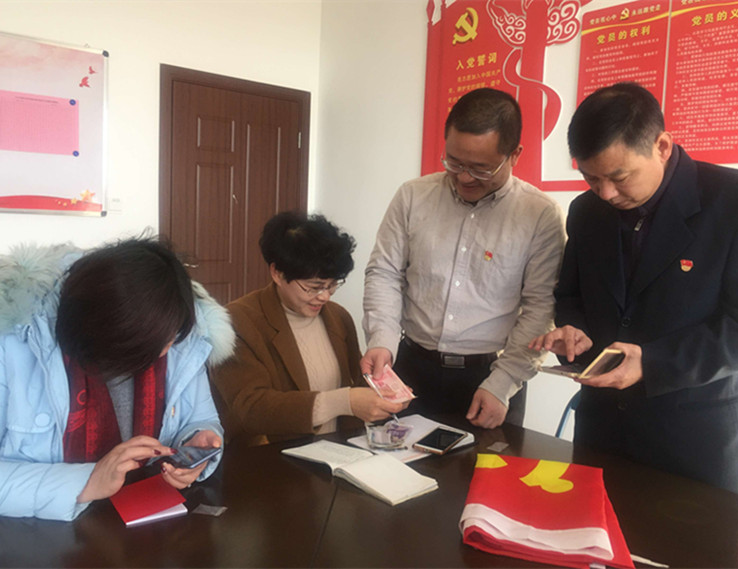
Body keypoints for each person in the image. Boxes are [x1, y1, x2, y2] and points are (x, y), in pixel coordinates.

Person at [529, 82, 738, 495]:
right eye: (591, 178)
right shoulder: (585, 211)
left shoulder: (737, 202)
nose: (606, 193)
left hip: (693, 437)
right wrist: (574, 331)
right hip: (601, 429)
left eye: (619, 177)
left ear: (662, 146)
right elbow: (571, 295)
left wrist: (653, 362)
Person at [362, 88, 565, 429]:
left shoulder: (539, 215)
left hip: (491, 378)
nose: (465, 177)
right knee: (395, 461)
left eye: (481, 168)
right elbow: (384, 272)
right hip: (411, 367)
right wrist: (381, 339)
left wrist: (504, 382)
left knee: (486, 464)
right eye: (454, 162)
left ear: (514, 155)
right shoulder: (413, 196)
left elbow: (541, 308)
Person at [0, 238, 234, 520]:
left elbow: (200, 418)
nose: (168, 351)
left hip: (151, 520)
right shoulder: (13, 346)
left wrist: (197, 444)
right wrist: (87, 481)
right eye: (154, 346)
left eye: (173, 338)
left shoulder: (175, 330)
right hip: (39, 535)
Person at [210, 211, 406, 446]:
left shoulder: (338, 318)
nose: (324, 296)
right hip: (273, 457)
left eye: (332, 285)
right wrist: (345, 401)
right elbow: (252, 408)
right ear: (277, 273)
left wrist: (383, 390)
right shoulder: (236, 322)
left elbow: (353, 387)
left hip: (339, 451)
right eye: (314, 287)